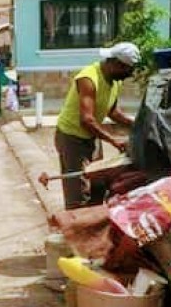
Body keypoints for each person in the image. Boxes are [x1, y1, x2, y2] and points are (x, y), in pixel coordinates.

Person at [54, 42, 140, 209]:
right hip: (71, 137)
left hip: (91, 137)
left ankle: (91, 226)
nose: (130, 75)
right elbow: (87, 120)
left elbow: (113, 111)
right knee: (79, 192)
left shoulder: (115, 81)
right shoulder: (88, 79)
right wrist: (114, 140)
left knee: (98, 185)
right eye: (128, 70)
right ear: (116, 64)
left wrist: (137, 125)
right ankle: (77, 230)